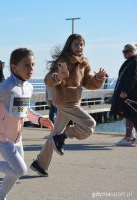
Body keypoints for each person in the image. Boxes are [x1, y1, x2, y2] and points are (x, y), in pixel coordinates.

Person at [0, 48, 54, 200]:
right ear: (14, 67)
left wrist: (40, 119)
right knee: (20, 170)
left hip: (17, 138)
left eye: (33, 65)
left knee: (14, 172)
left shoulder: (28, 87)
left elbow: (26, 110)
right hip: (1, 136)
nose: (31, 69)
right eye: (27, 65)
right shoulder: (6, 87)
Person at [30, 34, 107, 177]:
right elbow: (48, 80)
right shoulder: (63, 61)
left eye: (82, 44)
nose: (80, 47)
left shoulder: (84, 62)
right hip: (65, 101)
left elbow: (88, 83)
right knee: (89, 124)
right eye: (76, 44)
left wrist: (99, 78)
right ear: (70, 46)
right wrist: (58, 77)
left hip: (74, 101)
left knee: (54, 134)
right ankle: (64, 136)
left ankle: (39, 164)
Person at [111, 44, 137, 146]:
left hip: (130, 95)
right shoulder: (131, 62)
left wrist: (125, 91)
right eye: (123, 52)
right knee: (131, 116)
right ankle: (130, 137)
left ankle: (128, 138)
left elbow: (132, 78)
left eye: (125, 52)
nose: (124, 54)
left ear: (131, 52)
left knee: (130, 116)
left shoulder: (134, 63)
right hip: (130, 94)